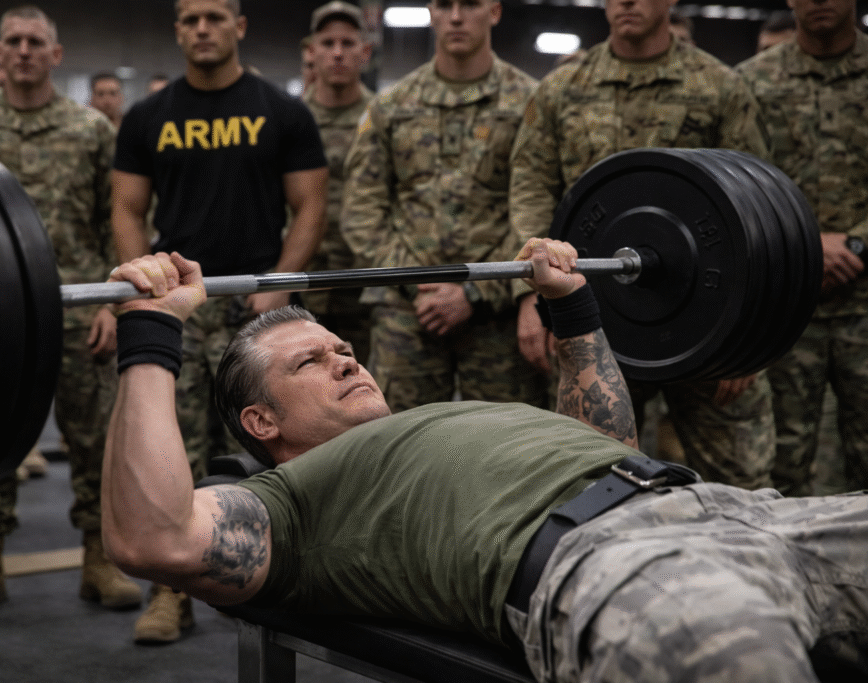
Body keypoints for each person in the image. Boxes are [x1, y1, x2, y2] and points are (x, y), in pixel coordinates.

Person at [101, 242, 868, 683]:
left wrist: (571, 306)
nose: (346, 361)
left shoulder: (439, 418)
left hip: (739, 508)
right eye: (311, 362)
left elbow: (609, 447)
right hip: (616, 566)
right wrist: (151, 334)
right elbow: (153, 537)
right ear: (260, 419)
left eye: (344, 348)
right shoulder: (289, 503)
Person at [110, 0, 327, 643]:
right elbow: (127, 206)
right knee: (171, 442)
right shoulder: (150, 116)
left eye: (213, 16)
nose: (201, 28)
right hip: (182, 302)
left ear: (240, 25)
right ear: (177, 30)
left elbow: (310, 206)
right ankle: (169, 596)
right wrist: (141, 272)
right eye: (188, 19)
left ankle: (301, 577)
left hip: (254, 300)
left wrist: (276, 287)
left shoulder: (282, 111)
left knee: (284, 443)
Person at [509, 0, 776, 491]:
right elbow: (531, 190)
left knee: (741, 486)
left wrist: (749, 338)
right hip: (596, 319)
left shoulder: (718, 86)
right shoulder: (562, 89)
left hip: (709, 326)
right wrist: (532, 294)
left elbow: (757, 208)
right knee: (591, 479)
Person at [0, 4, 141, 614]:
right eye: (13, 41)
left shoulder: (91, 131)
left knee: (93, 442)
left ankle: (99, 561)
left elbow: (117, 219)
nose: (25, 51)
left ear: (56, 55)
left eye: (36, 42)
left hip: (82, 306)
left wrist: (116, 301)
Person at [342, 0, 545, 413]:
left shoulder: (532, 104)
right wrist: (422, 285)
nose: (455, 16)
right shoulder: (392, 106)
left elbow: (538, 206)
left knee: (504, 451)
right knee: (399, 449)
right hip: (407, 312)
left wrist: (477, 291)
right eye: (443, 5)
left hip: (499, 315)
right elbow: (362, 210)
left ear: (494, 11)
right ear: (431, 13)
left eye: (469, 5)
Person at [737, 0, 868, 496]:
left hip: (865, 302)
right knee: (782, 464)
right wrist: (807, 245)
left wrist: (857, 243)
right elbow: (742, 185)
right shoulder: (752, 81)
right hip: (787, 308)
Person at [301, 2, 374, 364]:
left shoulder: (381, 118)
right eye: (328, 43)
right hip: (300, 277)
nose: (338, 53)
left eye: (347, 43)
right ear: (311, 52)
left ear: (365, 52)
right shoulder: (292, 119)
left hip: (363, 278)